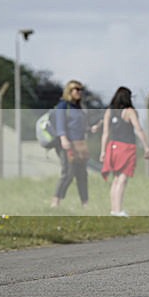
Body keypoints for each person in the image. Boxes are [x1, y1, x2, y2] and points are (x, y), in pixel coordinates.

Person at [100, 86, 149, 216]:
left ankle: (114, 209)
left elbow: (105, 133)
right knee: (122, 179)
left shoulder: (109, 111)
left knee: (116, 179)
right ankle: (118, 210)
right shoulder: (129, 111)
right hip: (126, 147)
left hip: (112, 147)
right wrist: (146, 146)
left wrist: (103, 151)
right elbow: (138, 129)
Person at [51, 80, 91, 208]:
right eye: (77, 89)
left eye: (81, 90)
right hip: (67, 143)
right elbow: (60, 123)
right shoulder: (63, 106)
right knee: (68, 173)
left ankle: (85, 203)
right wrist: (63, 138)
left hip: (79, 144)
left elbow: (80, 125)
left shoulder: (79, 108)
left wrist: (90, 129)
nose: (79, 92)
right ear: (70, 91)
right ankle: (56, 200)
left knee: (82, 175)